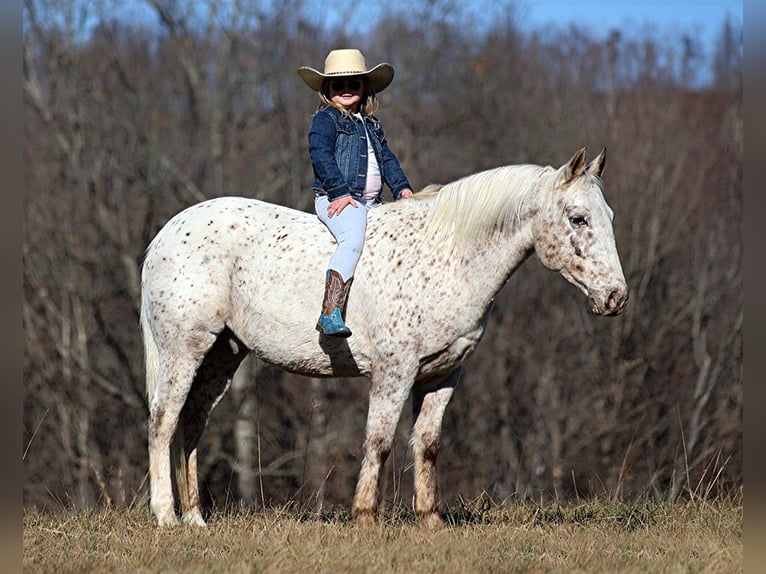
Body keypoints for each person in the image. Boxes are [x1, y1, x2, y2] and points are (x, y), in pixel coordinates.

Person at [298, 49, 414, 337]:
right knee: (352, 239)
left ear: (365, 89)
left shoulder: (371, 125)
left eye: (354, 84)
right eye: (339, 85)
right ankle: (330, 312)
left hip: (373, 203)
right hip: (336, 199)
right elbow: (320, 154)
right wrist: (338, 191)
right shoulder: (326, 119)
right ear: (327, 90)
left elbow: (386, 159)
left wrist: (401, 188)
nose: (346, 90)